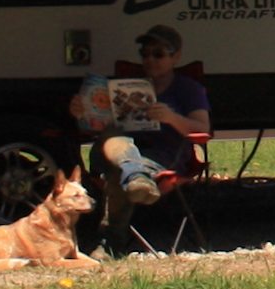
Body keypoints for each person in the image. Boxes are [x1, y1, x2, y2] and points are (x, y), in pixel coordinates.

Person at [71, 24, 208, 206]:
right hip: (114, 152)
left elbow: (203, 130)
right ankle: (136, 176)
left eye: (158, 54)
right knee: (116, 140)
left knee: (117, 178)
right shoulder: (120, 88)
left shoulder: (188, 88)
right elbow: (95, 128)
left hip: (162, 156)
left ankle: (115, 229)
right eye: (145, 54)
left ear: (176, 56)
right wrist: (83, 113)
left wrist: (171, 118)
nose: (150, 59)